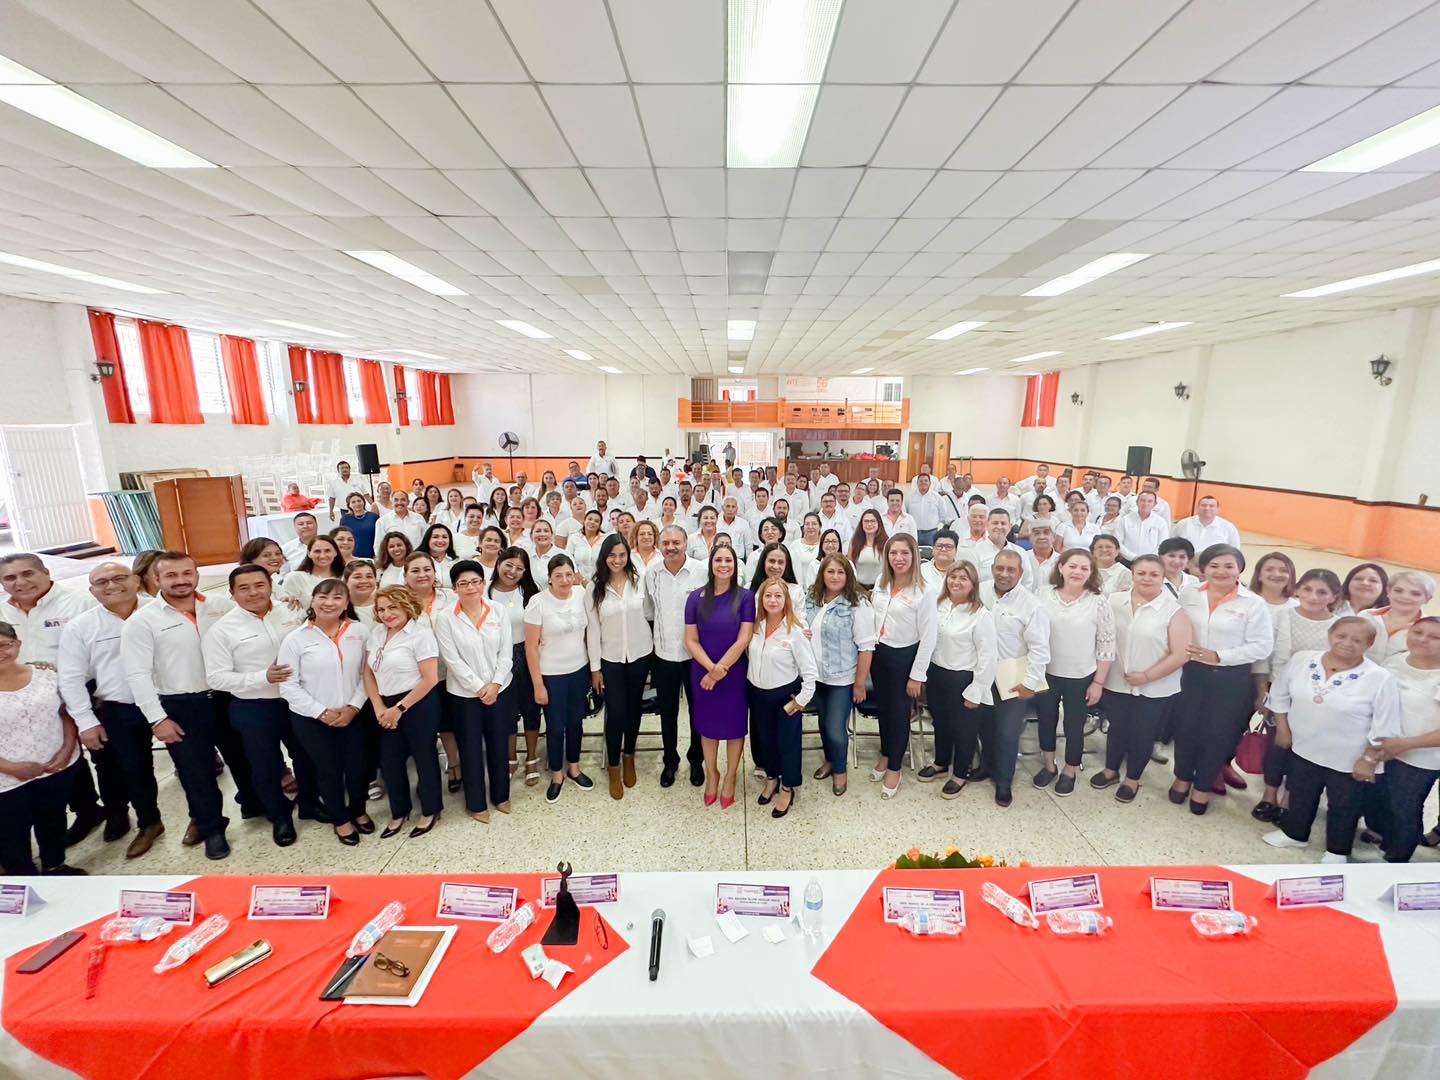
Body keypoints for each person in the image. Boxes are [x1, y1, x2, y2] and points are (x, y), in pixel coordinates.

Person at [122, 552, 260, 860]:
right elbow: (137, 675)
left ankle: (255, 804)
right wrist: (157, 719)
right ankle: (212, 829)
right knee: (197, 772)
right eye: (171, 575)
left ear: (197, 575)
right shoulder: (142, 622)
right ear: (155, 579)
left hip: (227, 697)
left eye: (187, 573)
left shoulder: (220, 606)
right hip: (182, 705)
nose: (181, 580)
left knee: (244, 757)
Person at [1262, 618, 1401, 863]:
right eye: (1341, 636)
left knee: (1344, 805)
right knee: (1300, 794)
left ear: (1369, 644)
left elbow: (1385, 724)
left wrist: (1369, 759)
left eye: (1357, 640)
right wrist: (1283, 730)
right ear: (1330, 635)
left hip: (1349, 757)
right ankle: (1294, 834)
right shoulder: (1303, 660)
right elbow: (1279, 694)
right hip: (1304, 746)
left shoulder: (1379, 678)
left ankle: (1337, 850)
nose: (1347, 643)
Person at [203, 564, 318, 848]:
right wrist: (262, 677)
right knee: (264, 765)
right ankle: (280, 817)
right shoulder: (222, 630)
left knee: (306, 755)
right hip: (254, 706)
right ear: (232, 593)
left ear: (270, 586)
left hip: (296, 702)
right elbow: (216, 678)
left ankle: (310, 804)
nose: (254, 592)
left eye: (259, 585)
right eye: (244, 588)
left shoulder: (292, 612)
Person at [57, 563, 163, 859]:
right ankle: (138, 819)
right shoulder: (81, 626)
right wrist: (85, 721)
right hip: (119, 706)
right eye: (102, 582)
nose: (111, 585)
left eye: (119, 578)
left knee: (190, 764)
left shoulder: (161, 611)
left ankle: (194, 819)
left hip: (167, 702)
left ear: (136, 581)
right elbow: (71, 677)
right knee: (127, 768)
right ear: (92, 591)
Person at [1, 552, 107, 844]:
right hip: (23, 697)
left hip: (80, 690)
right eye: (10, 577)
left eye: (27, 574)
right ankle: (82, 809)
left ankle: (104, 810)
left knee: (95, 754)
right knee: (51, 752)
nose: (20, 582)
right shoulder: (2, 612)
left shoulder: (80, 603)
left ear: (46, 572)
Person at [1171, 544, 1274, 815]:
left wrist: (1219, 656)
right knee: (1186, 728)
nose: (1221, 571)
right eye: (1214, 565)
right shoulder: (1190, 593)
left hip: (1230, 677)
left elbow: (1262, 646)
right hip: (1190, 673)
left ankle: (1203, 786)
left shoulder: (1253, 603)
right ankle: (1182, 777)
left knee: (1217, 734)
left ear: (1240, 569)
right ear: (1203, 568)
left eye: (1229, 566)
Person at [276, 579, 370, 846]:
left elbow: (367, 674)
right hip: (312, 719)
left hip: (354, 714)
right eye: (323, 597)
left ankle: (358, 810)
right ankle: (340, 819)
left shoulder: (359, 631)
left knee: (358, 768)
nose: (329, 603)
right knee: (328, 770)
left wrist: (353, 707)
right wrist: (321, 713)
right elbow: (288, 686)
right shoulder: (295, 639)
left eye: (337, 598)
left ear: (347, 603)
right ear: (312, 601)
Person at [1091, 555, 1191, 802]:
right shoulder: (1114, 601)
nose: (1147, 578)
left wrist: (1147, 676)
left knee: (1143, 733)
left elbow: (1180, 654)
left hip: (1155, 686)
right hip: (1117, 681)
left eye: (1154, 574)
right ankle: (1111, 770)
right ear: (1132, 575)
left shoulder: (1173, 610)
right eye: (1141, 573)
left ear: (1163, 577)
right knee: (1116, 727)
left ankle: (1132, 779)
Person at [1251, 568, 1342, 823]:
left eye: (1322, 592)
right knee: (1277, 745)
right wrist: (1262, 691)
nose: (1313, 596)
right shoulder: (1281, 616)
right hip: (1279, 692)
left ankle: (1289, 798)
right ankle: (1269, 794)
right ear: (1298, 590)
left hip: (1317, 699)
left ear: (1333, 596)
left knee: (1303, 750)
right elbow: (1265, 656)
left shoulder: (1339, 625)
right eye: (1308, 589)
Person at [0, 622, 83, 876]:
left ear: (17, 644)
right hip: (6, 779)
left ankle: (54, 865)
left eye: (4, 645)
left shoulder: (46, 674)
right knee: (11, 830)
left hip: (54, 764)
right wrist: (12, 768)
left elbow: (65, 713)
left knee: (53, 818)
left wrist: (66, 750)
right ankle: (22, 877)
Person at [435, 560, 513, 823]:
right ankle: (476, 803)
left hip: (499, 689)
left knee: (498, 744)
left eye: (475, 582)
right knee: (469, 748)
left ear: (483, 583)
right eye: (463, 583)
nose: (470, 587)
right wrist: (480, 687)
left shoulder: (498, 610)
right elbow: (451, 660)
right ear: (455, 588)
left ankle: (501, 796)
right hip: (464, 695)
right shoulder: (445, 618)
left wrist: (495, 684)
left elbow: (506, 653)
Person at [1033, 549, 1116, 795]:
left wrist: (1098, 682)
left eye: (1084, 568)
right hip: (1046, 672)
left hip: (1081, 675)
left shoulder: (1098, 601)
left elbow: (1106, 644)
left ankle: (1070, 769)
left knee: (1074, 724)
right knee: (1046, 719)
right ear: (1061, 568)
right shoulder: (1042, 594)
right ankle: (1049, 765)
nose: (1077, 572)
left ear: (1091, 573)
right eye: (1072, 566)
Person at [363, 586, 443, 839]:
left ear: (407, 606)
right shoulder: (377, 633)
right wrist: (379, 706)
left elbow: (430, 679)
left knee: (424, 757)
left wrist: (398, 709)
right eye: (381, 609)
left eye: (392, 607)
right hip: (385, 704)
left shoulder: (421, 635)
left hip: (417, 702)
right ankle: (399, 812)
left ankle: (430, 810)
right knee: (390, 760)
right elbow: (368, 673)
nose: (386, 614)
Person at [685, 545, 755, 808]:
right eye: (718, 560)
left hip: (734, 672)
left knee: (735, 727)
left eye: (729, 560)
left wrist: (719, 670)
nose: (723, 565)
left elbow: (744, 638)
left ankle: (730, 776)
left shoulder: (745, 597)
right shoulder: (695, 598)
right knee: (708, 726)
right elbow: (690, 640)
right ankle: (712, 773)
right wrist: (711, 669)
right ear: (711, 564)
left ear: (735, 565)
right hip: (703, 671)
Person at [583, 535, 653, 800]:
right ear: (604, 557)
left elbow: (650, 614)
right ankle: (613, 766)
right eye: (612, 555)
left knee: (634, 710)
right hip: (610, 659)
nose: (617, 560)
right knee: (616, 713)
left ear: (628, 556)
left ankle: (629, 756)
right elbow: (592, 630)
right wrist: (595, 668)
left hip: (640, 654)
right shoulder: (594, 587)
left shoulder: (639, 580)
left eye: (622, 555)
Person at [918, 562, 995, 798]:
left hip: (963, 679)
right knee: (940, 722)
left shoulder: (980, 615)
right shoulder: (938, 605)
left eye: (963, 578)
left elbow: (988, 656)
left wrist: (977, 690)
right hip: (936, 673)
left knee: (964, 729)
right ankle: (941, 762)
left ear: (973, 584)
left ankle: (961, 773)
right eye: (953, 576)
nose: (956, 582)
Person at [980, 549, 1050, 808]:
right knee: (985, 727)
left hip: (1013, 676)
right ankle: (986, 766)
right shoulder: (981, 591)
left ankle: (1004, 780)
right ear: (992, 569)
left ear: (1021, 573)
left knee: (1007, 732)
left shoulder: (1032, 605)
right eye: (999, 568)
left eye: (1011, 569)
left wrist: (1030, 683)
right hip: (982, 674)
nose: (1004, 574)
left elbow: (1040, 649)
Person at [869, 535, 937, 800]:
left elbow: (929, 636)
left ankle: (895, 768)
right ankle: (886, 754)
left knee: (899, 714)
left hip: (904, 657)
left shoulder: (924, 591)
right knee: (883, 710)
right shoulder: (881, 582)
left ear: (914, 556)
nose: (898, 558)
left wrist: (917, 675)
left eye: (904, 553)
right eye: (893, 553)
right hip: (879, 654)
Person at [803, 554, 875, 797]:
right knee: (823, 723)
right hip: (816, 676)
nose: (835, 576)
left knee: (835, 728)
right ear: (822, 574)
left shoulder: (857, 604)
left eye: (840, 572)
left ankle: (841, 771)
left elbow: (866, 648)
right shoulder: (812, 598)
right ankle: (830, 760)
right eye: (830, 571)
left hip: (842, 679)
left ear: (848, 575)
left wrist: (859, 683)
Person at [525, 554, 594, 803]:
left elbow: (588, 633)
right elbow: (531, 647)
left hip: (579, 670)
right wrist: (538, 684)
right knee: (555, 726)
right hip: (551, 674)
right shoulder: (538, 602)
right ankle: (556, 774)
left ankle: (574, 767)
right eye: (558, 576)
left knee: (576, 722)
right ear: (549, 578)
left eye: (568, 575)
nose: (564, 580)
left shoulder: (581, 594)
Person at [1370, 618, 1440, 861]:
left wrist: (1404, 744)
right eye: (1418, 632)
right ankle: (1386, 846)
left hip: (1419, 758)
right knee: (1382, 802)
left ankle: (1397, 860)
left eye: (1434, 637)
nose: (1423, 639)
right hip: (1383, 748)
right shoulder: (1395, 660)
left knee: (1405, 809)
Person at [748, 577, 817, 819]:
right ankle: (771, 779)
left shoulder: (795, 632)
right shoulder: (755, 628)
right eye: (768, 595)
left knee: (787, 744)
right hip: (758, 694)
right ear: (761, 600)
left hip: (784, 696)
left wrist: (801, 700)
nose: (772, 600)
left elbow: (810, 672)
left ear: (786, 600)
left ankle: (787, 788)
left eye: (778, 595)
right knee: (765, 741)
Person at [644, 527, 707, 788]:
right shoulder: (651, 573)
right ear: (660, 545)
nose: (671, 547)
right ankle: (670, 760)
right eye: (666, 542)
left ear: (685, 543)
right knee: (667, 712)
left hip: (695, 656)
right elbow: (649, 611)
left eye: (676, 542)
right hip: (663, 654)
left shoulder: (701, 570)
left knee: (697, 711)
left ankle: (696, 759)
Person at [490, 547, 542, 786]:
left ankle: (532, 757)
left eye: (519, 568)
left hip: (527, 653)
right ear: (498, 563)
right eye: (508, 565)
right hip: (497, 656)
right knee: (506, 711)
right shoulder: (486, 591)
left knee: (531, 708)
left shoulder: (530, 592)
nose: (513, 571)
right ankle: (511, 758)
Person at [1363, 571, 1436, 665]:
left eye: (1415, 594)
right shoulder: (1366, 616)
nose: (1405, 597)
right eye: (1398, 591)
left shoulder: (1432, 629)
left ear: (1427, 599)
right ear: (1388, 592)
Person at [972, 509, 1033, 589]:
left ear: (1010, 527)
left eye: (1003, 523)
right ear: (987, 525)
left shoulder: (1020, 552)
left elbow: (1027, 581)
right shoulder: (974, 551)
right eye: (995, 523)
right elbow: (971, 582)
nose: (999, 527)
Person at [280, 534, 344, 606]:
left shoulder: (344, 578)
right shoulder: (295, 578)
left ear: (335, 552)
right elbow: (285, 605)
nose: (322, 556)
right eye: (317, 551)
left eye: (327, 551)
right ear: (309, 553)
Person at [749, 542, 805, 610]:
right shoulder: (749, 588)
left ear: (786, 565)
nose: (776, 566)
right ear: (763, 562)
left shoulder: (796, 591)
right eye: (772, 561)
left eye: (780, 562)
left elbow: (800, 616)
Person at [1172, 496, 1240, 550]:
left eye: (1211, 506)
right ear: (1197, 508)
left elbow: (1235, 551)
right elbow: (1171, 544)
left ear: (1217, 509)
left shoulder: (1228, 527)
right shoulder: (1183, 524)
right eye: (1203, 505)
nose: (1207, 508)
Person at [1116, 491, 1168, 561]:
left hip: (1151, 561)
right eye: (1142, 500)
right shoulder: (1125, 520)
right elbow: (1118, 542)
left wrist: (1148, 558)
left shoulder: (1161, 522)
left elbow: (1162, 544)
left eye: (1150, 501)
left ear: (1154, 504)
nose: (1145, 504)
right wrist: (1133, 557)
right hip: (1127, 560)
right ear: (1137, 502)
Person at [848, 509, 889, 588]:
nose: (869, 524)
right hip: (858, 587)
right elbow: (850, 566)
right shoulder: (854, 543)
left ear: (879, 523)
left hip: (880, 587)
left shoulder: (886, 544)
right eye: (866, 521)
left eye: (872, 521)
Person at [906, 473, 943, 547]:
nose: (923, 483)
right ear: (917, 483)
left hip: (931, 533)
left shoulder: (937, 497)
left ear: (930, 483)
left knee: (930, 553)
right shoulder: (909, 497)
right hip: (914, 532)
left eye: (926, 481)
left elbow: (942, 515)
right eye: (921, 481)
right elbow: (906, 513)